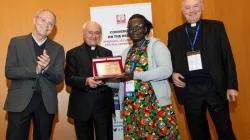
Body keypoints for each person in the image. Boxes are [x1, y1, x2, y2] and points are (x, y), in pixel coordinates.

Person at [168, 0, 239, 139]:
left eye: (195, 6)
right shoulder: (174, 34)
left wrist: (232, 86)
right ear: (182, 11)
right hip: (190, 90)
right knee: (198, 134)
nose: (192, 10)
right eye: (187, 7)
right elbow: (170, 63)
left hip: (215, 87)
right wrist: (172, 75)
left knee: (225, 131)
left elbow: (227, 57)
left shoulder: (216, 27)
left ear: (202, 7)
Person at [107, 14, 180, 140]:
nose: (134, 30)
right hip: (131, 107)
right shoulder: (126, 53)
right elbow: (122, 81)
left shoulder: (156, 46)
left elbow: (167, 70)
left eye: (138, 27)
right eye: (131, 28)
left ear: (146, 29)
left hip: (155, 106)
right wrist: (105, 80)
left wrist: (136, 75)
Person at [4, 9, 65, 140]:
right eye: (43, 20)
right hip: (19, 101)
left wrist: (47, 67)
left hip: (45, 104)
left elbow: (59, 78)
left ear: (53, 28)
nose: (46, 25)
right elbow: (9, 71)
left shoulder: (58, 48)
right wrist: (36, 69)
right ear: (35, 20)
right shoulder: (16, 42)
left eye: (51, 23)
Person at [65, 21, 114, 140]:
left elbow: (113, 77)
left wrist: (107, 79)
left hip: (103, 106)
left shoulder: (107, 53)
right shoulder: (73, 53)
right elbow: (69, 79)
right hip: (82, 105)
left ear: (100, 35)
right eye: (90, 32)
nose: (93, 36)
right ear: (84, 34)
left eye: (97, 33)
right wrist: (86, 81)